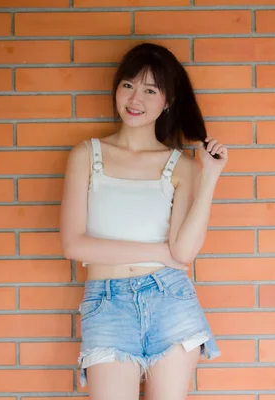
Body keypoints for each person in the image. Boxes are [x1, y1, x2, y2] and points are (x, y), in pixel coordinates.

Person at [59, 43, 225, 400]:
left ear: (167, 101)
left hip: (170, 299)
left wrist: (209, 177)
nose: (136, 98)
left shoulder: (180, 165)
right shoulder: (87, 155)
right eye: (129, 85)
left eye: (151, 90)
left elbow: (182, 252)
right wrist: (157, 252)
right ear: (116, 89)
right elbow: (73, 244)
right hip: (107, 303)